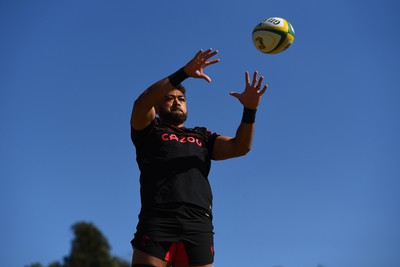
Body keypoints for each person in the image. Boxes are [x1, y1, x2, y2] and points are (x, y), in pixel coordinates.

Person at [130, 48, 268, 267]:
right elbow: (141, 103)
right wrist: (183, 73)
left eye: (181, 98)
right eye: (169, 98)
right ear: (157, 106)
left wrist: (250, 110)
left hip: (198, 221)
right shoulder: (149, 129)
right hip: (158, 218)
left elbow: (240, 147)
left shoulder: (202, 135)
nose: (177, 101)